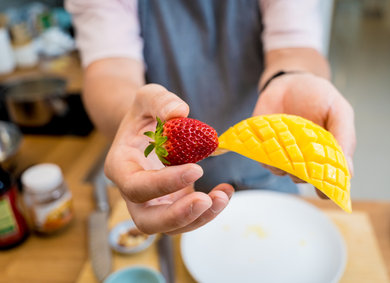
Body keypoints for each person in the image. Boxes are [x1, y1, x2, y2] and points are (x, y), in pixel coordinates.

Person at [66, 0, 356, 235]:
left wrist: (292, 76)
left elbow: (295, 44)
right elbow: (110, 68)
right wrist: (134, 122)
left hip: (272, 170)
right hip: (170, 183)